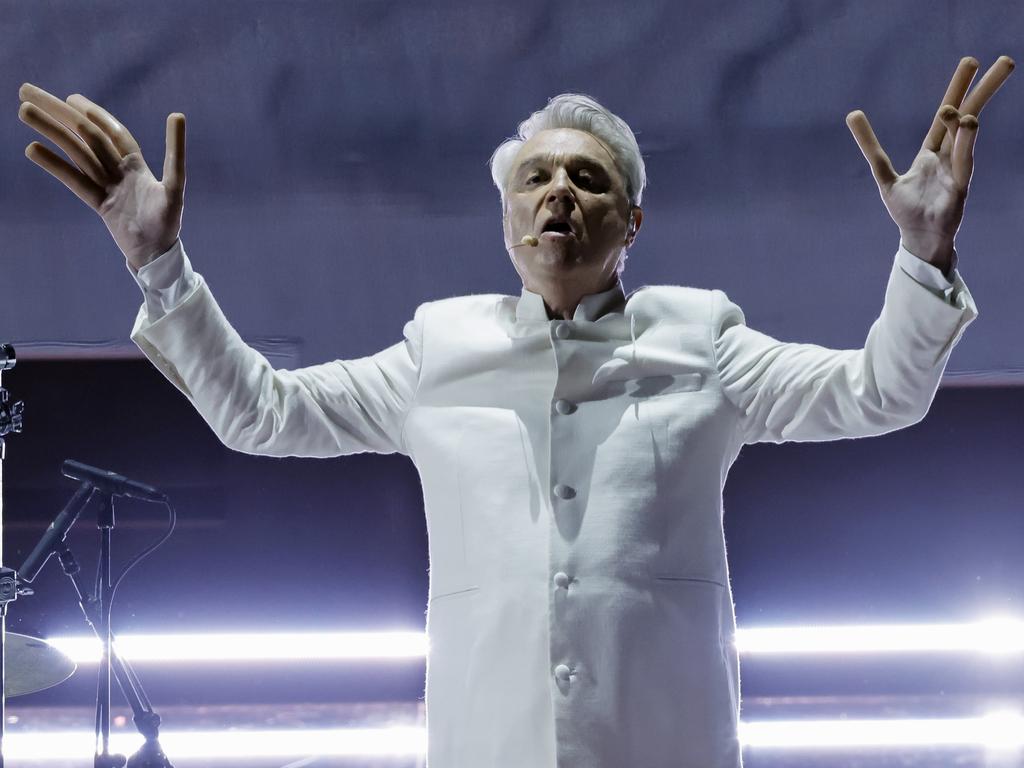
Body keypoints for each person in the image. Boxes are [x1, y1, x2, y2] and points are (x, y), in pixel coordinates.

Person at [18, 55, 1013, 767]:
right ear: (505, 219)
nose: (558, 196)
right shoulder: (437, 349)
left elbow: (878, 393)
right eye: (535, 178)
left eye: (589, 179)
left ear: (632, 221)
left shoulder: (703, 338)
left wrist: (922, 252)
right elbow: (259, 415)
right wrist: (159, 266)